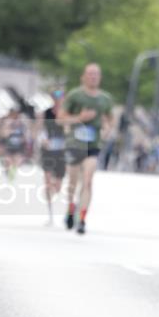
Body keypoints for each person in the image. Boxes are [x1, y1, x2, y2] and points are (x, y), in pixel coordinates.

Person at [61, 64, 113, 235]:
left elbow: (110, 118)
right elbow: (60, 119)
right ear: (83, 77)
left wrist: (107, 129)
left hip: (93, 145)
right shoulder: (75, 95)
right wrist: (79, 118)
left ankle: (82, 218)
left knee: (88, 180)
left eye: (96, 74)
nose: (93, 77)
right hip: (75, 144)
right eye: (90, 74)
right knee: (72, 182)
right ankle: (70, 208)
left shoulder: (105, 98)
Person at [37, 89, 67, 226]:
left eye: (60, 96)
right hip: (48, 151)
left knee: (58, 186)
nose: (58, 99)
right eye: (55, 96)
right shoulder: (46, 112)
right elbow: (40, 130)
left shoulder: (67, 113)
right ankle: (50, 216)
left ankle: (53, 190)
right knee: (47, 182)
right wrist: (43, 140)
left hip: (62, 152)